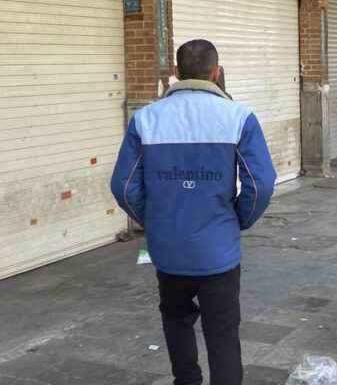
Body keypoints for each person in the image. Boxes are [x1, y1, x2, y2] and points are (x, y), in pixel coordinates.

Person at [111, 39, 277, 385]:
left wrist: (154, 221)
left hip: (168, 250)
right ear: (216, 72)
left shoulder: (146, 119)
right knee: (223, 332)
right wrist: (237, 220)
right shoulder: (238, 117)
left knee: (176, 321)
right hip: (218, 249)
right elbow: (260, 184)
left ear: (176, 72)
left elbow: (124, 187)